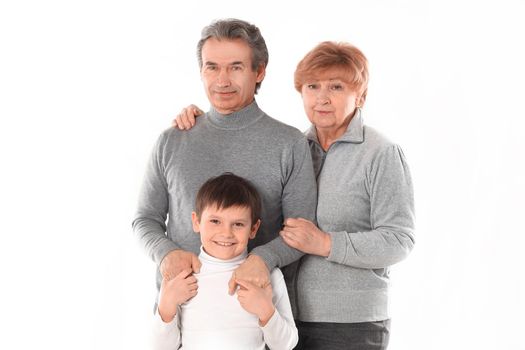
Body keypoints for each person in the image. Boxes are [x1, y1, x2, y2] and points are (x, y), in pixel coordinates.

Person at [172, 41, 415, 350]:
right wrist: (203, 122)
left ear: (361, 95)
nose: (322, 98)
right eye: (313, 86)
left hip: (349, 324)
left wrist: (326, 243)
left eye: (336, 87)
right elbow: (238, 197)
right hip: (283, 318)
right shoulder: (294, 147)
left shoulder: (380, 153)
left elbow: (399, 240)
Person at [132, 18, 317, 315]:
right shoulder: (172, 140)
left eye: (235, 67)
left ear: (259, 71)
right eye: (212, 67)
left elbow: (302, 232)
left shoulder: (289, 143)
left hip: (259, 323)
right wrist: (166, 254)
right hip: (180, 319)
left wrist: (263, 258)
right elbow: (144, 219)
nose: (222, 80)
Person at [152, 173, 298, 349]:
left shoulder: (267, 276)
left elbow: (286, 345)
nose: (226, 233)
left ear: (253, 228)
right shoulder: (182, 275)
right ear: (196, 221)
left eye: (238, 224)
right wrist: (166, 306)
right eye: (215, 221)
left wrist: (266, 311)